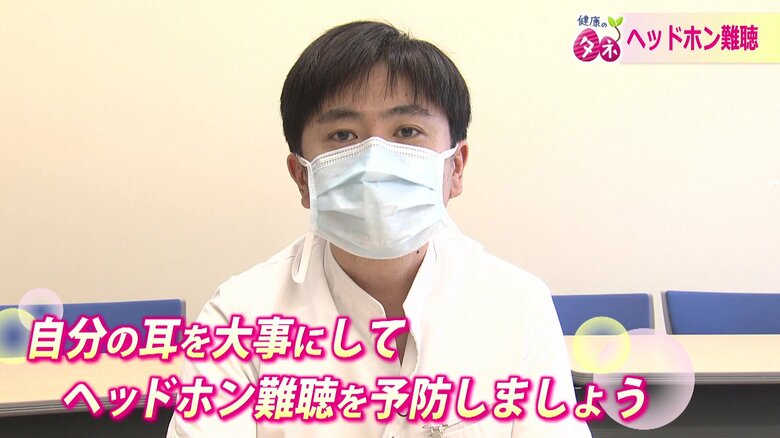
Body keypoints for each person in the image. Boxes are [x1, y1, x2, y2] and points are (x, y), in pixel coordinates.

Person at [168, 20, 591, 437]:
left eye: (407, 131)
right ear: (302, 177)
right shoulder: (239, 315)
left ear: (455, 168)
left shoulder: (518, 306)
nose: (374, 161)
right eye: (342, 135)